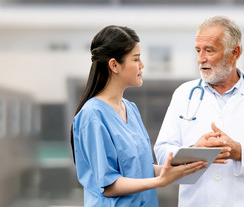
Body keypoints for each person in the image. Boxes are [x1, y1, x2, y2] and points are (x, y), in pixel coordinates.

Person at [154, 16, 244, 207]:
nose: (201, 58)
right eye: (198, 50)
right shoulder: (183, 94)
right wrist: (195, 151)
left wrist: (239, 151)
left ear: (234, 53)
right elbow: (162, 151)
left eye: (209, 50)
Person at [70, 25, 207, 206]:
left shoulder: (131, 109)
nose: (142, 65)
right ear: (114, 65)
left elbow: (142, 170)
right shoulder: (92, 116)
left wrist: (190, 159)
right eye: (136, 59)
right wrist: (160, 181)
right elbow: (109, 185)